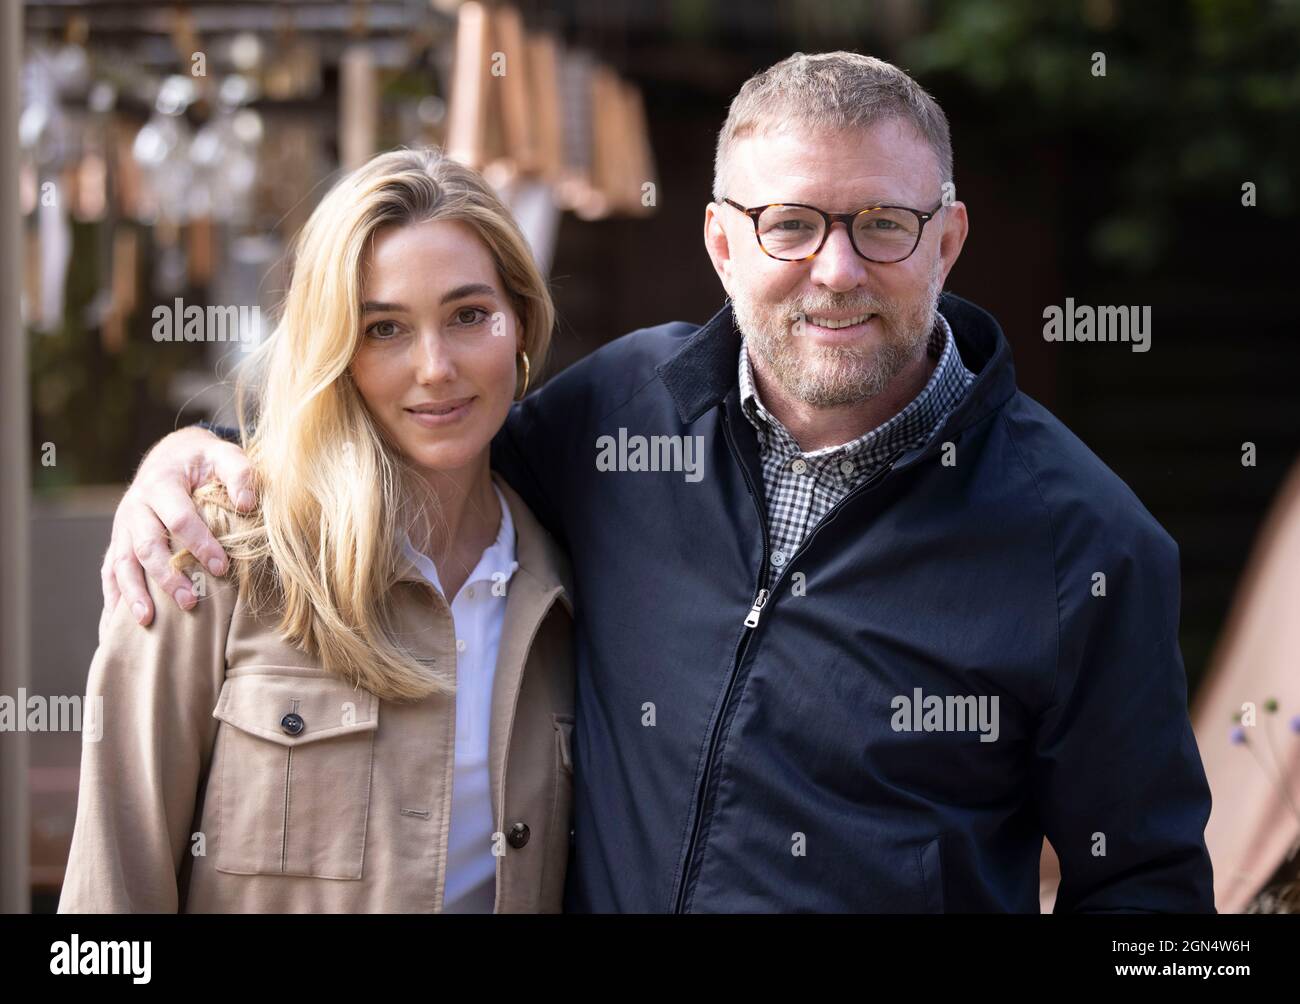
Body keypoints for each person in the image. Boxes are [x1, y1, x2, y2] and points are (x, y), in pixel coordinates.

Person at [101, 52, 1214, 912]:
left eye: (883, 223)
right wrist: (194, 452)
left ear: (948, 239)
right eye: (789, 224)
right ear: (722, 246)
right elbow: (409, 421)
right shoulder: (618, 416)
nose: (835, 269)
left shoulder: (1085, 544)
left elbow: (1153, 888)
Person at [61, 148, 575, 913]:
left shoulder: (570, 587)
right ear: (334, 350)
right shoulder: (212, 560)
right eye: (384, 329)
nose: (434, 367)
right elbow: (109, 908)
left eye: (469, 316)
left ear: (521, 324)